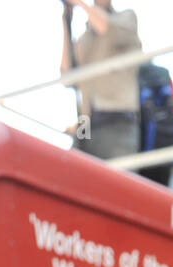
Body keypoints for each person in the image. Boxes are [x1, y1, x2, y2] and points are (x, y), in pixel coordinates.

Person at [61, 0, 141, 162]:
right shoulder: (85, 38)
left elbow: (107, 27)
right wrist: (66, 21)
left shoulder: (126, 17)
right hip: (85, 123)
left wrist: (80, 4)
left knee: (116, 183)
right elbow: (67, 76)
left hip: (117, 120)